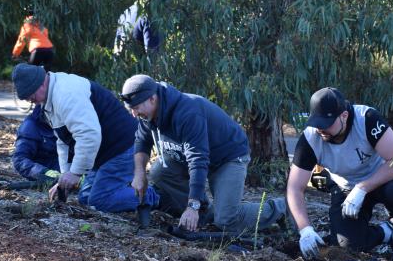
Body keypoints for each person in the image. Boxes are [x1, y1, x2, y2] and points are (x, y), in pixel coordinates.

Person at [120, 74, 286, 233]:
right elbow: (142, 141)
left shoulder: (187, 112)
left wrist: (192, 206)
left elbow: (198, 160)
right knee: (159, 172)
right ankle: (204, 213)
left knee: (227, 220)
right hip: (190, 157)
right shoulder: (147, 115)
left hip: (227, 158)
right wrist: (140, 173)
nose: (134, 114)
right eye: (130, 109)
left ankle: (282, 207)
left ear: (152, 98)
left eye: (136, 108)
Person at [286, 87, 393, 261]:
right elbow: (294, 188)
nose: (321, 129)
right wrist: (305, 229)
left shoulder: (367, 119)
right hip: (345, 188)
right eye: (318, 122)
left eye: (327, 123)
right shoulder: (310, 138)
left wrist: (362, 188)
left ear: (344, 116)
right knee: (347, 246)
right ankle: (387, 232)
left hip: (381, 179)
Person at [11, 63, 140, 213]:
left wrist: (76, 173)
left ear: (40, 84)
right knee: (85, 198)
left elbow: (88, 135)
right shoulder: (49, 99)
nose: (29, 101)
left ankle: (153, 195)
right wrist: (66, 177)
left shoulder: (66, 94)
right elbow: (63, 140)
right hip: (103, 152)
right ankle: (127, 188)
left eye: (30, 96)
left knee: (99, 201)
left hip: (123, 146)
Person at [12, 105, 61, 184]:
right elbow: (20, 160)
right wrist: (44, 172)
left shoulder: (69, 121)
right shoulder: (30, 126)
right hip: (48, 172)